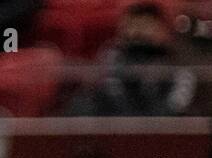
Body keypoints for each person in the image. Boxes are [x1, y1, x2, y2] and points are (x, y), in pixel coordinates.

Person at [66, 2, 198, 117]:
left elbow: (178, 102)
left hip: (164, 132)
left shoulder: (177, 60)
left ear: (162, 30)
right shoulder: (111, 56)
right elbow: (107, 94)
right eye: (132, 26)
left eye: (146, 26)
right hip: (116, 129)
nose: (137, 33)